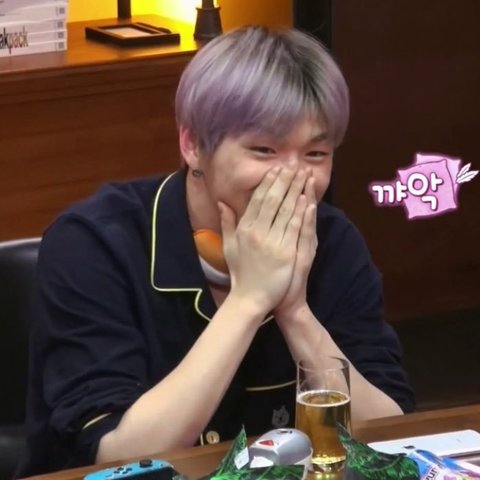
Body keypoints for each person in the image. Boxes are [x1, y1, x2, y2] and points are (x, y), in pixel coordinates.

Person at [16, 25, 414, 477]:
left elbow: (392, 434)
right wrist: (249, 300)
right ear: (192, 144)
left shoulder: (335, 241)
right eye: (263, 150)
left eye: (316, 154)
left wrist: (295, 310)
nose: (293, 177)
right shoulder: (92, 244)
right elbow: (120, 454)